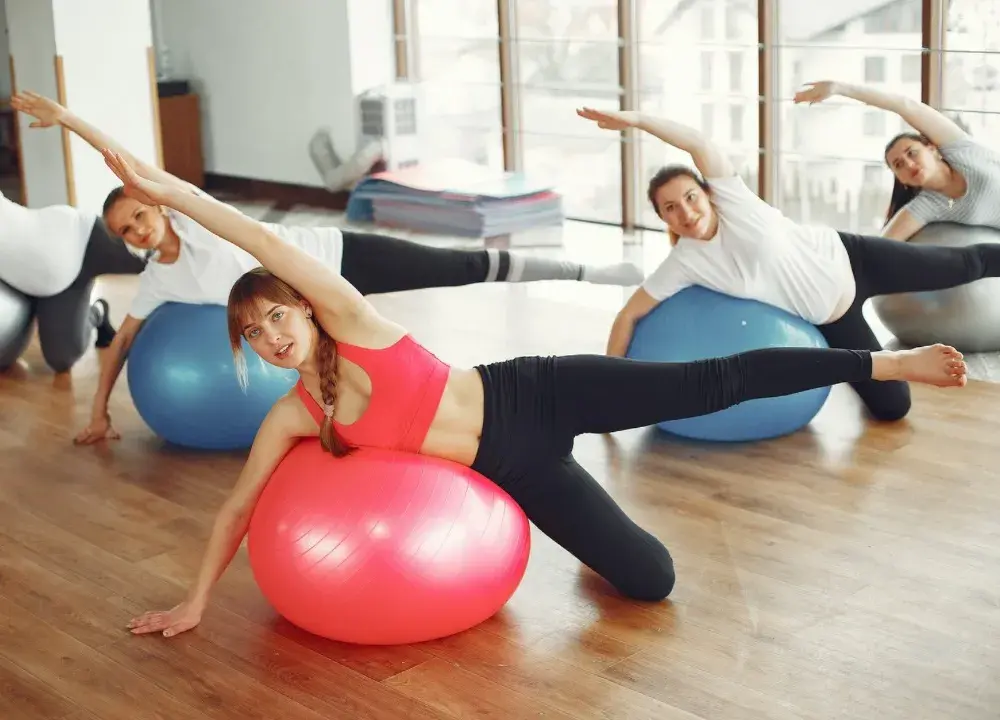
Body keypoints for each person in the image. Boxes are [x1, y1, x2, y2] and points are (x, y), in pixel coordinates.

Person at [97, 149, 968, 638]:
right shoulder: (296, 413)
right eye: (253, 334)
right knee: (650, 582)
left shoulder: (355, 321)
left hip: (542, 391)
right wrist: (194, 602)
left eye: (278, 315)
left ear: (305, 305)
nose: (272, 335)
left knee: (714, 383)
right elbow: (237, 510)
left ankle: (883, 366)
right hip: (517, 465)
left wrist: (160, 186)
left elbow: (248, 231)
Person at [11, 91, 644, 444]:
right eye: (126, 230)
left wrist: (69, 121)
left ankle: (585, 273)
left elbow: (138, 168)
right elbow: (121, 341)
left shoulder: (201, 223)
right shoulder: (159, 279)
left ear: (160, 209)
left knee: (466, 265)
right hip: (310, 318)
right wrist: (98, 412)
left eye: (141, 214)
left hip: (336, 260)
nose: (138, 228)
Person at [578, 107, 1000, 422]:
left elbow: (697, 143)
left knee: (965, 264)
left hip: (856, 258)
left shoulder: (735, 202)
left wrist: (633, 119)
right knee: (893, 408)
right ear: (663, 218)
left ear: (707, 193)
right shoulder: (683, 264)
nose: (686, 212)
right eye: (671, 208)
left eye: (690, 197)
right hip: (833, 317)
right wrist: (616, 390)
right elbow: (629, 314)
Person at [793, 80, 1000, 241]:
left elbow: (905, 105)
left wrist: (839, 88)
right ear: (903, 181)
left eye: (912, 153)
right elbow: (881, 248)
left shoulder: (960, 149)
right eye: (899, 165)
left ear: (932, 149)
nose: (909, 164)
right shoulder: (928, 205)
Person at [0, 185, 146, 380]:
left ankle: (95, 311)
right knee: (61, 358)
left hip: (76, 240)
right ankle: (95, 313)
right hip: (20, 281)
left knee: (159, 255)